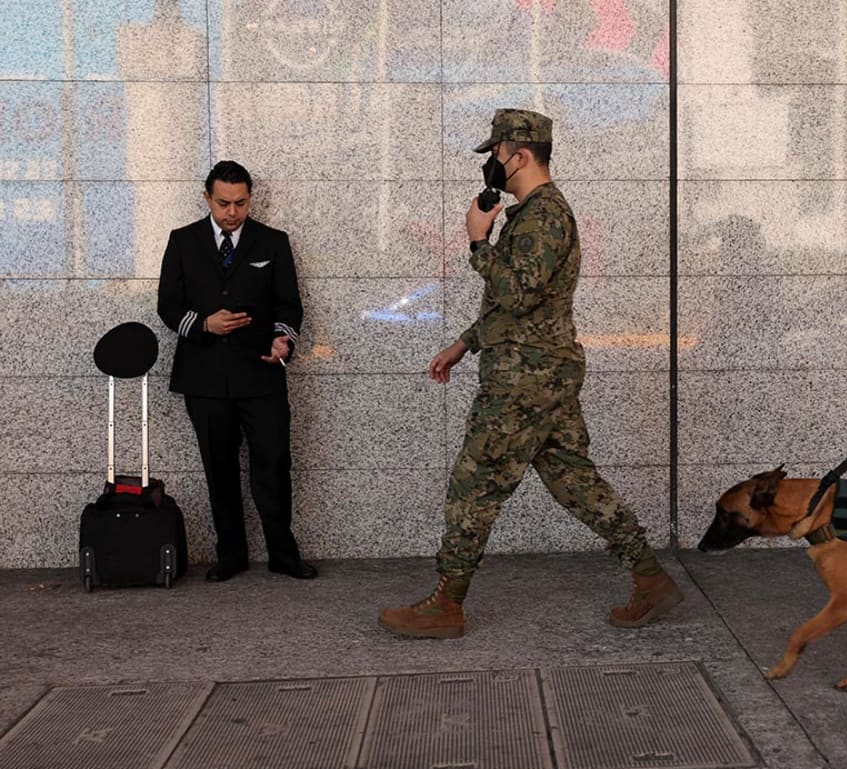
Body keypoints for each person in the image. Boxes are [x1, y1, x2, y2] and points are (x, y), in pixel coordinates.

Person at [378, 109, 682, 638]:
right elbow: (522, 305)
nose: (491, 164)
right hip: (541, 373)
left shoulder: (543, 216)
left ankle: (446, 605)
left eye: (495, 153)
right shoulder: (533, 213)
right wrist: (464, 343)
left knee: (473, 487)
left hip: (524, 382)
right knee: (574, 481)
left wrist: (478, 242)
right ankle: (650, 578)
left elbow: (516, 292)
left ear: (518, 155)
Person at [156, 160, 317, 582]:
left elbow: (289, 305)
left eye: (241, 203)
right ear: (207, 197)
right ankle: (231, 554)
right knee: (219, 466)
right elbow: (167, 306)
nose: (232, 211)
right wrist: (203, 324)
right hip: (204, 377)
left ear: (251, 198)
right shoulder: (183, 241)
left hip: (261, 373)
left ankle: (283, 553)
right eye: (224, 202)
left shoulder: (274, 242)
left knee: (274, 464)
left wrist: (284, 340)